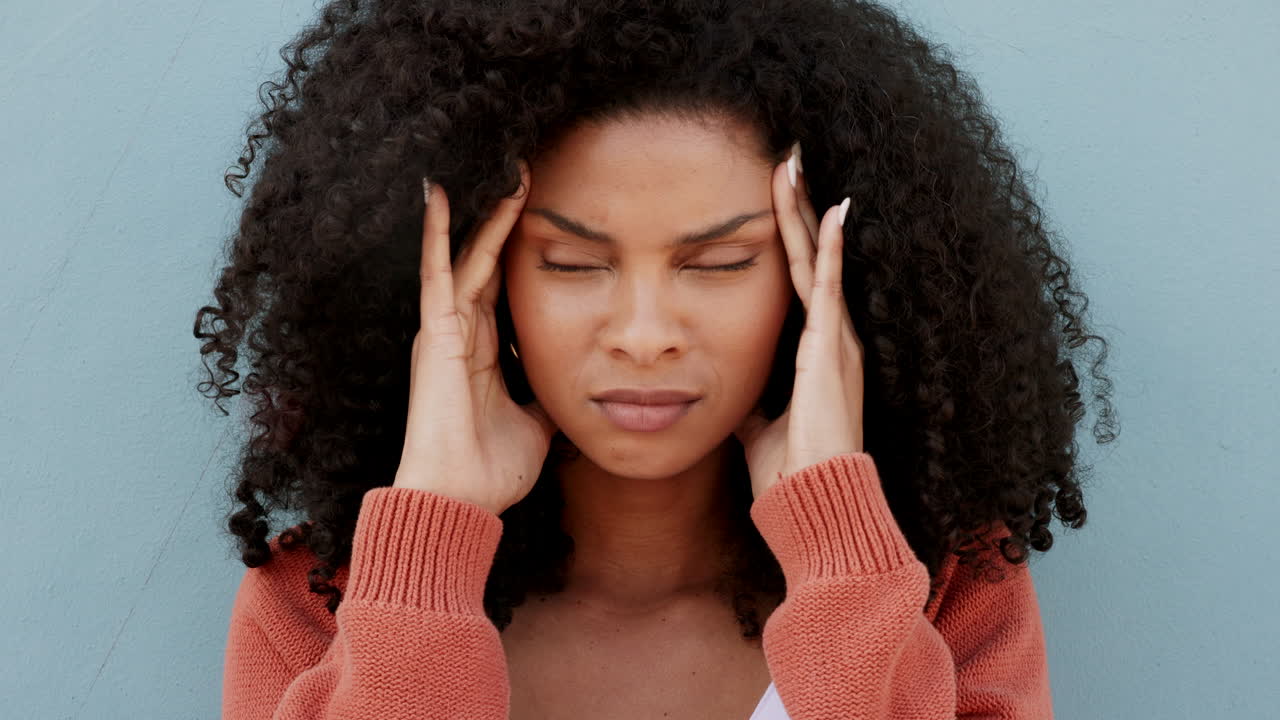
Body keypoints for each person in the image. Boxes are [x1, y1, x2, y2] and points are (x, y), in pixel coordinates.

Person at [202, 1, 1117, 718]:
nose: (645, 333)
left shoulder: (944, 591)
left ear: (816, 286)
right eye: (572, 262)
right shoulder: (317, 609)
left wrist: (842, 555)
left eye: (718, 264)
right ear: (480, 289)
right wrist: (431, 542)